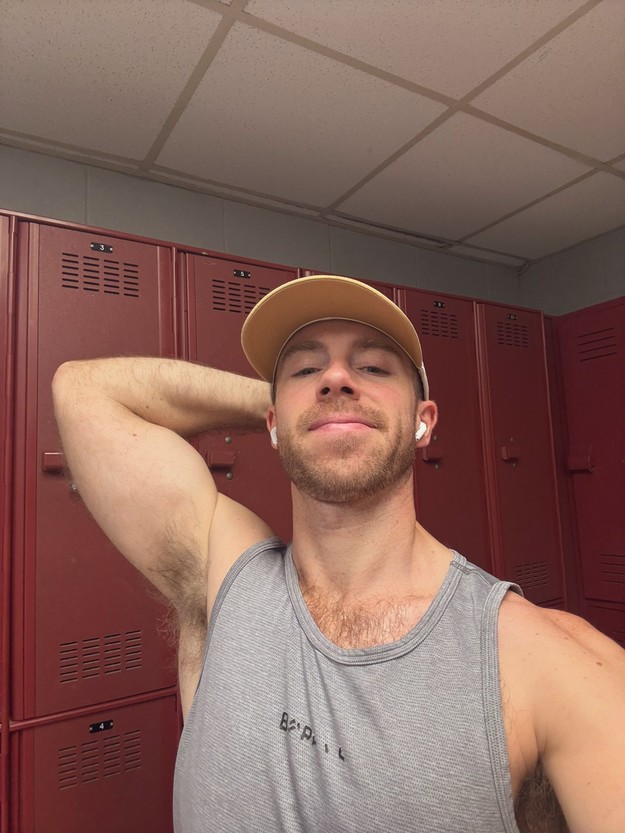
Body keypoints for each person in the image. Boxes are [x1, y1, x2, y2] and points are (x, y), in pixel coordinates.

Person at [52, 274, 625, 833]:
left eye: (373, 367)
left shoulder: (549, 662)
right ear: (271, 425)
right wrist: (297, 410)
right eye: (305, 370)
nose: (335, 378)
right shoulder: (222, 577)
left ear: (424, 422)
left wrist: (309, 405)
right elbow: (84, 391)